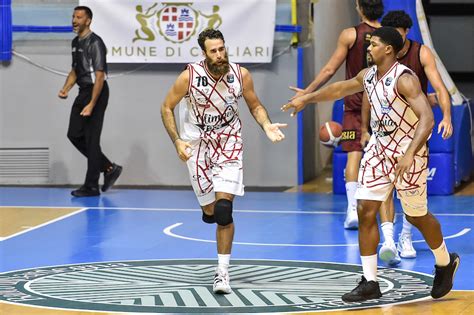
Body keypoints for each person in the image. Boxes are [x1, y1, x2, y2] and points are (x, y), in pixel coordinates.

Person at [282, 27, 459, 302]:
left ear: (388, 49)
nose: (367, 48)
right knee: (366, 209)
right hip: (379, 150)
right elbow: (341, 88)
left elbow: (427, 119)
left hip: (407, 151)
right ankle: (370, 280)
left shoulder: (405, 80)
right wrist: (308, 97)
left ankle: (445, 262)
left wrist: (411, 152)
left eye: (373, 44)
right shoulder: (368, 76)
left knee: (416, 216)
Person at [161, 28, 287, 294]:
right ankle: (207, 209)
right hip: (196, 146)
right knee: (210, 212)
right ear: (204, 54)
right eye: (213, 51)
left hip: (229, 143)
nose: (220, 55)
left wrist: (265, 125)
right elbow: (166, 107)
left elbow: (255, 105)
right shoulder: (189, 77)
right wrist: (176, 141)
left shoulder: (240, 75)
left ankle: (222, 273)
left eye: (222, 49)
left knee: (223, 211)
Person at [290, 0, 384, 230]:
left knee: (354, 155)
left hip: (354, 103)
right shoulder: (389, 36)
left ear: (359, 7)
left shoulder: (350, 34)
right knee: (385, 160)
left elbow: (330, 69)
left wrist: (307, 91)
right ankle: (387, 220)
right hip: (383, 104)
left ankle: (353, 209)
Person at [376, 10, 453, 266]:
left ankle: (406, 237)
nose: (392, 43)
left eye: (397, 36)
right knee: (384, 186)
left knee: (411, 190)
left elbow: (440, 88)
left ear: (407, 33)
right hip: (387, 128)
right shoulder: (380, 54)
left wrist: (447, 117)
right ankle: (388, 239)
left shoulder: (421, 53)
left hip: (415, 129)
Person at [58, 6, 122, 197]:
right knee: (74, 134)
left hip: (98, 92)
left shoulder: (95, 43)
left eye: (79, 17)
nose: (74, 20)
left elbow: (100, 76)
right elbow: (75, 70)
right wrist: (66, 89)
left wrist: (92, 104)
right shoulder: (76, 42)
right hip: (83, 91)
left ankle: (91, 186)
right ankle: (109, 168)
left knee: (92, 140)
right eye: (73, 16)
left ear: (88, 21)